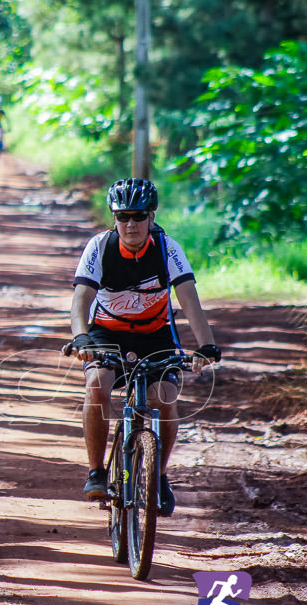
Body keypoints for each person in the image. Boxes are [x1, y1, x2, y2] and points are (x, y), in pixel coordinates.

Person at [67, 177, 221, 516]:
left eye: (138, 216)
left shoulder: (168, 249)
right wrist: (80, 337)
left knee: (164, 398)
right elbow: (81, 299)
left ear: (152, 217)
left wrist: (206, 346)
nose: (130, 224)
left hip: (156, 334)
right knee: (96, 385)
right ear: (114, 219)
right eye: (122, 217)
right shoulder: (100, 247)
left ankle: (159, 475)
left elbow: (190, 300)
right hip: (107, 333)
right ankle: (96, 472)